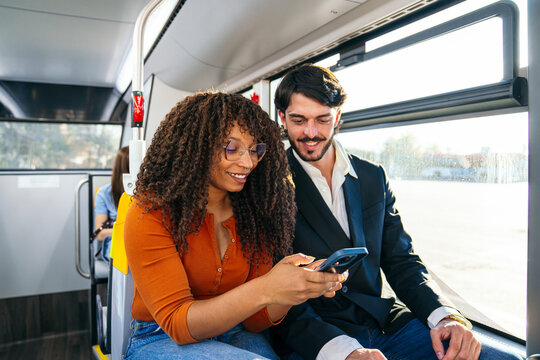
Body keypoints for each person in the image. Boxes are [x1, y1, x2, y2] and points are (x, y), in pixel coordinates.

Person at [272, 64, 525, 360]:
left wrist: (445, 318)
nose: (311, 133)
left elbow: (402, 262)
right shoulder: (269, 185)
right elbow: (278, 298)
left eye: (322, 120)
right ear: (282, 119)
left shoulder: (372, 177)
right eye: (299, 120)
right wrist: (345, 352)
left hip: (386, 325)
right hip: (318, 338)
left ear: (338, 117)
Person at [123, 92, 343, 360]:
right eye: (232, 148)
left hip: (236, 331)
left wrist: (293, 290)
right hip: (159, 337)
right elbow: (179, 324)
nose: (248, 163)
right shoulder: (151, 211)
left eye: (255, 149)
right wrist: (266, 288)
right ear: (197, 147)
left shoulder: (254, 212)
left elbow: (254, 321)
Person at [93, 145, 129, 262]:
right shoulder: (104, 193)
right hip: (118, 243)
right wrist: (128, 230)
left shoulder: (148, 191)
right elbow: (100, 234)